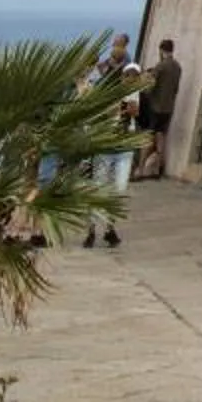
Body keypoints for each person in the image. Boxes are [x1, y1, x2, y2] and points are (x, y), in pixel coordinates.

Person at [83, 38, 137, 250]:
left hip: (123, 146)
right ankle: (92, 229)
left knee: (118, 190)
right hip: (104, 145)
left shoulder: (130, 87)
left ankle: (109, 228)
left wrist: (124, 107)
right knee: (98, 188)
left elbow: (135, 111)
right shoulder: (99, 86)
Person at [138, 39, 182, 180]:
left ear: (161, 50)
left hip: (156, 106)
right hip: (168, 107)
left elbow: (150, 85)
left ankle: (140, 168)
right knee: (161, 136)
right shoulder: (177, 67)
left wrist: (144, 93)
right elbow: (175, 89)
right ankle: (157, 169)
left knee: (148, 136)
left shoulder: (161, 66)